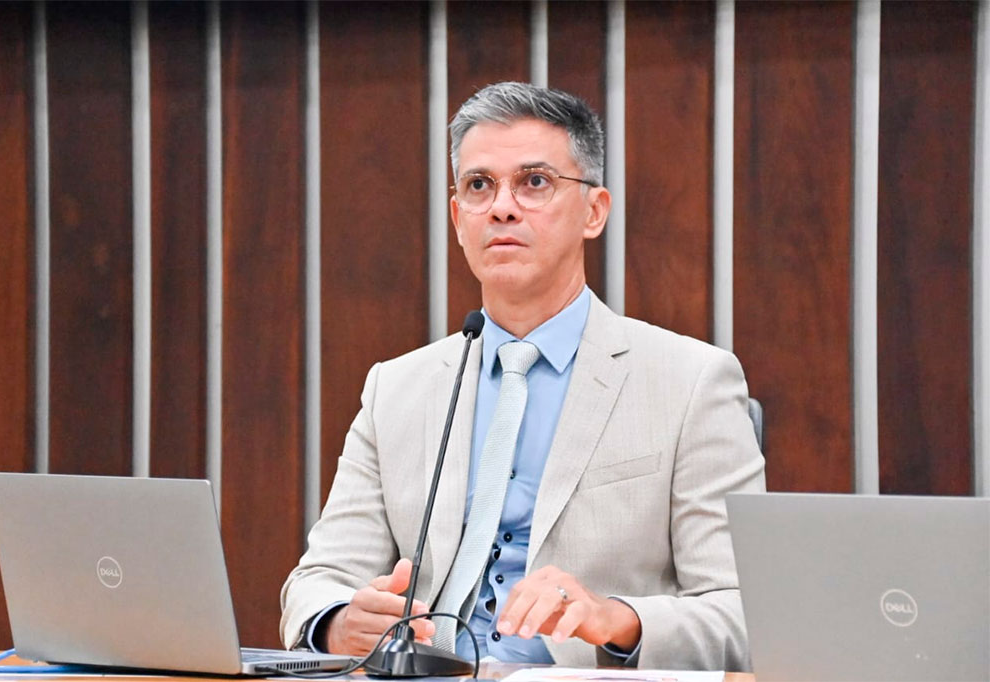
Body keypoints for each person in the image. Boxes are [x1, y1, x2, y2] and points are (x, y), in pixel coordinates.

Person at [280, 82, 765, 671]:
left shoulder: (691, 382)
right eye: (479, 186)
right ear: (458, 219)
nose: (502, 207)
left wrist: (617, 619)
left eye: (534, 182)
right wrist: (339, 622)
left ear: (594, 212)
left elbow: (746, 613)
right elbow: (319, 579)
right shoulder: (397, 387)